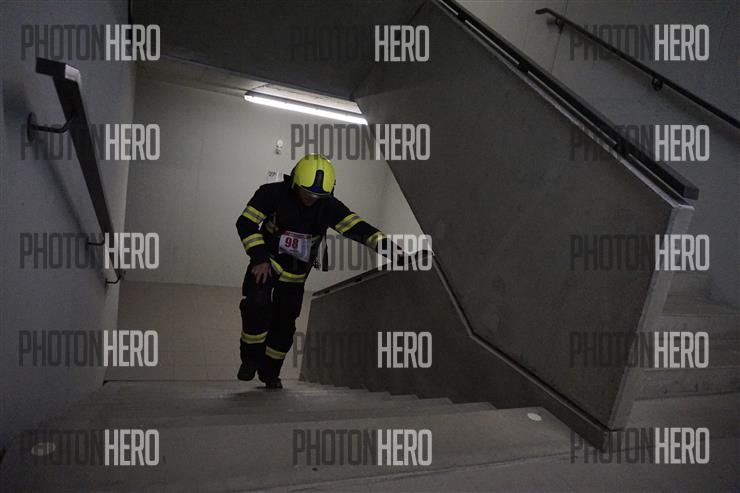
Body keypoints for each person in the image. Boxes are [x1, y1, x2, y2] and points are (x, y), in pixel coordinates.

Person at [235, 154, 392, 389]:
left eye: (319, 196)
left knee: (284, 326)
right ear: (295, 182)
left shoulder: (329, 206)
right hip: (267, 264)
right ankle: (250, 359)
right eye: (307, 193)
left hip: (296, 275)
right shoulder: (271, 193)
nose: (312, 199)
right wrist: (259, 257)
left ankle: (270, 373)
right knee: (256, 306)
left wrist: (395, 252)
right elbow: (246, 223)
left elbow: (360, 229)